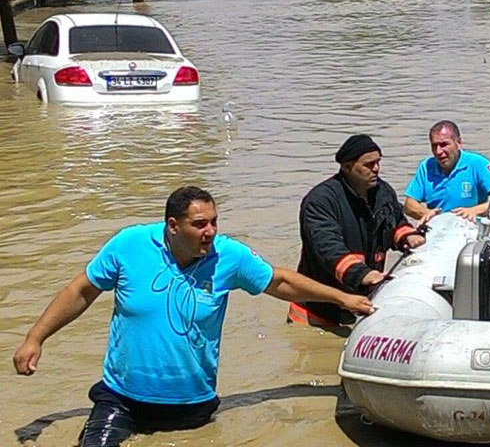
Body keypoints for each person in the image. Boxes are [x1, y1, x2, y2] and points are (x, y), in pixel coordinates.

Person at [12, 186, 374, 447]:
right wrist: (35, 338)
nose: (211, 232)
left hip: (191, 407)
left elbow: (279, 282)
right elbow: (81, 291)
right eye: (200, 224)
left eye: (214, 222)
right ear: (173, 225)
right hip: (121, 398)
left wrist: (344, 297)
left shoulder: (228, 256)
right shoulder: (129, 245)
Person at [290, 134, 427, 327]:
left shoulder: (382, 191)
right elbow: (328, 249)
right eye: (369, 165)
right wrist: (362, 275)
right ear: (347, 167)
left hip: (361, 303)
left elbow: (394, 222)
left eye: (378, 162)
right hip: (318, 312)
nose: (376, 169)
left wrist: (408, 236)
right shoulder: (320, 201)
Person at [403, 120, 490, 222]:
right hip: (438, 227)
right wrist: (428, 214)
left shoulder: (477, 164)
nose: (438, 151)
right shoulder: (426, 167)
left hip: (471, 228)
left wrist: (475, 211)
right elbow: (409, 205)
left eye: (443, 145)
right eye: (434, 145)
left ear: (459, 143)